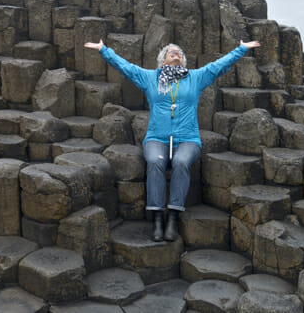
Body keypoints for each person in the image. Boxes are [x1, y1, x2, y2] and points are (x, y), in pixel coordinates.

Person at [84, 39, 260, 241]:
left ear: (183, 61)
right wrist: (103, 50)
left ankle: (173, 218)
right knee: (155, 161)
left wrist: (241, 49)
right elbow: (126, 67)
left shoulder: (195, 78)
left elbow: (219, 66)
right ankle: (158, 219)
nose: (176, 54)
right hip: (156, 138)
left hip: (188, 139)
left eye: (179, 53)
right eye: (171, 52)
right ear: (163, 60)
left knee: (180, 162)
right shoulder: (150, 78)